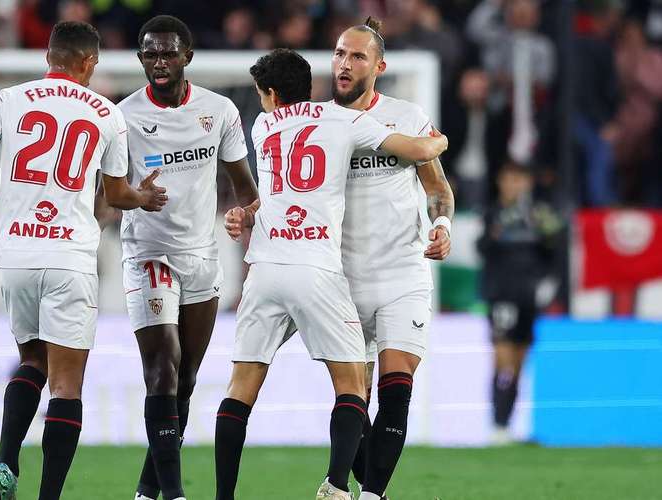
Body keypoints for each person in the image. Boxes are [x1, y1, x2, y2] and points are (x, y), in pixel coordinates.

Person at [0, 21, 167, 500]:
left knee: (31, 360)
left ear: (48, 56)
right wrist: (143, 197)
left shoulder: (6, 99)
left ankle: (4, 459)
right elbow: (115, 194)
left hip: (16, 253)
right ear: (89, 63)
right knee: (66, 385)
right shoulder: (106, 113)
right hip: (70, 257)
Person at [218, 48, 447, 500]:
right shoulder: (341, 120)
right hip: (321, 268)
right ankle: (338, 486)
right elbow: (420, 149)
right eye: (340, 54)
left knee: (241, 386)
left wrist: (246, 211)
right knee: (351, 388)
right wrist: (437, 139)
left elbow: (285, 190)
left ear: (269, 93)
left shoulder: (263, 125)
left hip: (263, 269)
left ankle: (223, 495)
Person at [116, 15, 258, 500]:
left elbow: (244, 187)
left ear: (187, 57)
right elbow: (110, 193)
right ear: (140, 59)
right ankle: (175, 495)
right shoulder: (124, 116)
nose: (159, 62)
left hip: (201, 256)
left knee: (187, 379)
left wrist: (246, 218)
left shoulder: (218, 111)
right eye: (150, 54)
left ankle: (146, 490)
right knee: (163, 365)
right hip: (148, 254)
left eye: (168, 53)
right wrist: (135, 198)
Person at [329, 19, 455, 500]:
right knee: (350, 405)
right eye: (340, 53)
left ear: (378, 67)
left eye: (357, 56)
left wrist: (442, 227)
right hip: (338, 279)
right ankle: (363, 481)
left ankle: (370, 496)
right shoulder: (320, 121)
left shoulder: (407, 116)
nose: (345, 63)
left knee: (396, 390)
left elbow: (438, 191)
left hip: (402, 272)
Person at [477, 160, 562, 445]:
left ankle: (506, 427)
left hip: (528, 297)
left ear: (527, 183)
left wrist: (549, 284)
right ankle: (497, 426)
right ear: (501, 181)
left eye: (520, 180)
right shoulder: (493, 214)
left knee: (520, 363)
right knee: (504, 362)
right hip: (502, 295)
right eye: (509, 179)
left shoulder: (539, 215)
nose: (514, 185)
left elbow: (554, 249)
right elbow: (482, 248)